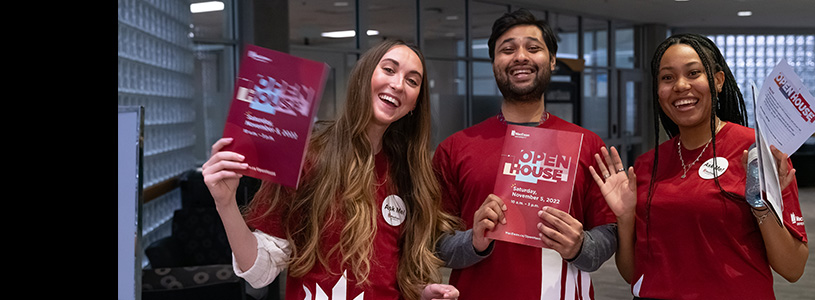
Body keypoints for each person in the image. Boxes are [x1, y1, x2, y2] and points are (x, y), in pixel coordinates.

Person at [202, 40, 461, 300]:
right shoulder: (308, 158)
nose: (398, 84)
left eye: (413, 81)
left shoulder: (408, 174)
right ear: (363, 77)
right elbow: (260, 273)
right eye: (389, 70)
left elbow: (392, 273)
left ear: (415, 104)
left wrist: (422, 292)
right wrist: (225, 204)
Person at [589, 33, 809, 299]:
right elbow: (633, 272)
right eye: (667, 77)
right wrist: (625, 219)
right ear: (658, 92)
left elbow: (793, 268)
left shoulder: (757, 153)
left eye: (693, 73)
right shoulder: (648, 165)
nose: (681, 86)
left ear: (717, 81)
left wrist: (761, 205)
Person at [433, 9, 617, 300]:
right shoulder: (455, 148)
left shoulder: (587, 144)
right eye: (507, 49)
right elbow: (436, 243)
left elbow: (608, 233)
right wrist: (474, 241)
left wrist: (581, 246)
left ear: (553, 61)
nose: (520, 57)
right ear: (494, 62)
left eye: (533, 48)